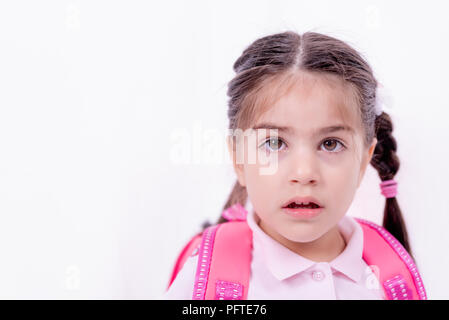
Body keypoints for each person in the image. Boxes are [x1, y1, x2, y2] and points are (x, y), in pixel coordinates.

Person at [163, 30, 425, 300]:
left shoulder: (392, 279)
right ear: (239, 159)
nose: (304, 173)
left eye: (330, 143)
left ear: (363, 161)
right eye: (275, 143)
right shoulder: (204, 280)